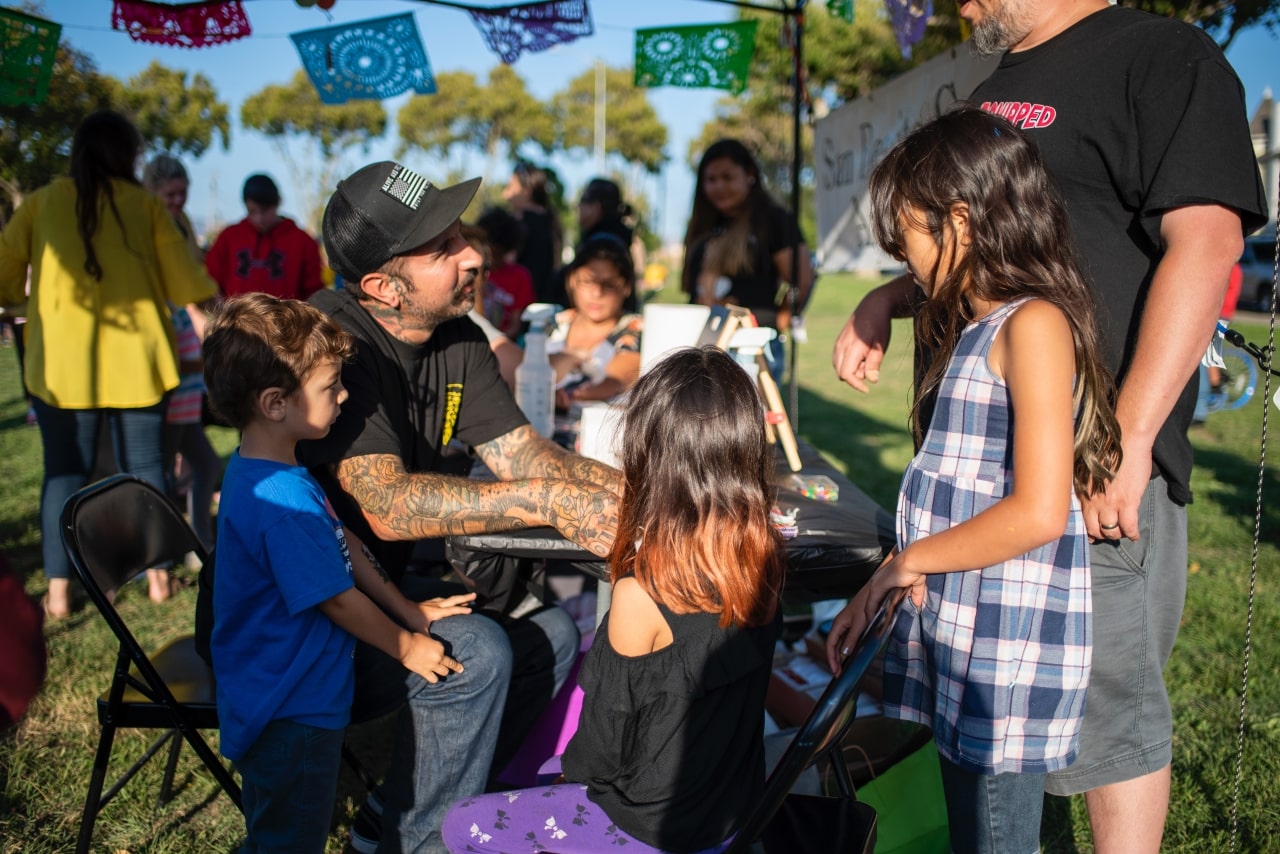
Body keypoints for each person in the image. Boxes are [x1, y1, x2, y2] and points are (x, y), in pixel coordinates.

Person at [830, 4, 1268, 848]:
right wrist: (891, 297)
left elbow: (1207, 242)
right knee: (1009, 716)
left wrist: (1128, 437)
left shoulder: (1158, 53)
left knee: (1108, 715)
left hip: (1086, 464)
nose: (955, 7)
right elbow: (988, 247)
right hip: (983, 476)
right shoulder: (1002, 81)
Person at [296, 160, 620, 854]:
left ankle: (400, 810)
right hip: (305, 611)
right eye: (443, 249)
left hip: (380, 588)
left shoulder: (456, 335)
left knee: (553, 635)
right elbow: (386, 504)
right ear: (382, 286)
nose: (473, 254)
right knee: (479, 652)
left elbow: (523, 455)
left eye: (460, 235)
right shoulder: (334, 341)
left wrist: (637, 490)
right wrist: (549, 500)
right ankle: (424, 842)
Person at [823, 107, 1122, 854]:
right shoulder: (975, 324)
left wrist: (907, 562)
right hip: (963, 637)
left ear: (961, 217)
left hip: (1003, 657)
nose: (906, 260)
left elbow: (1037, 511)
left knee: (994, 839)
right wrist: (880, 586)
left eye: (909, 241)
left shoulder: (1033, 327)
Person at [441, 345, 785, 853]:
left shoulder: (640, 592)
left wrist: (562, 782)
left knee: (462, 822)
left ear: (648, 455)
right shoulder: (766, 557)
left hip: (645, 828)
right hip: (728, 815)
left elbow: (598, 756)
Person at [204, 293, 476, 852]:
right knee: (289, 839)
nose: (345, 394)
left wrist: (405, 608)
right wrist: (405, 646)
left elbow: (342, 542)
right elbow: (334, 597)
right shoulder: (282, 500)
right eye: (331, 387)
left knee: (278, 828)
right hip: (291, 706)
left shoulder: (274, 470)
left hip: (288, 692)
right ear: (276, 402)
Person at [0, 110, 216, 619]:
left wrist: (24, 303)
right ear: (128, 156)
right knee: (145, 471)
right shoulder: (144, 207)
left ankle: (56, 595)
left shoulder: (41, 203)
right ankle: (159, 581)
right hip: (138, 365)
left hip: (58, 369)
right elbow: (187, 284)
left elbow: (6, 278)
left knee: (63, 475)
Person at [142, 154, 221, 565]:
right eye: (169, 194)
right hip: (168, 346)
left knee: (202, 463)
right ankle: (161, 556)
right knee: (167, 467)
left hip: (188, 350)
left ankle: (196, 544)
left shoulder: (182, 225)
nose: (176, 201)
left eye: (182, 194)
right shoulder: (146, 223)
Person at [682, 139, 813, 374]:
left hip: (748, 348)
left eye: (728, 177)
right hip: (702, 342)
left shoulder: (772, 220)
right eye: (711, 180)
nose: (719, 187)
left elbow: (801, 280)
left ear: (749, 175)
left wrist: (777, 323)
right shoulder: (706, 226)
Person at [539, 233, 643, 409]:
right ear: (572, 280)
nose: (597, 293)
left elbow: (617, 380)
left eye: (609, 284)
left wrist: (566, 393)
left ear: (626, 287)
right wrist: (571, 357)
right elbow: (526, 370)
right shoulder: (554, 322)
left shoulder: (636, 328)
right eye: (587, 282)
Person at [205, 173, 325, 301]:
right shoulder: (229, 237)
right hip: (238, 319)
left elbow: (314, 292)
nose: (259, 218)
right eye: (252, 211)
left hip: (287, 319)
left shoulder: (303, 242)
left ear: (277, 203)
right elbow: (210, 282)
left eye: (264, 210)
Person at [460, 223, 523, 386]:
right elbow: (521, 370)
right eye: (484, 268)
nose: (487, 277)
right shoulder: (463, 317)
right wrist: (574, 355)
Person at [502, 162, 563, 304]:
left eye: (510, 187)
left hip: (519, 307)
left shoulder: (519, 222)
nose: (506, 194)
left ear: (526, 191)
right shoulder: (551, 220)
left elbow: (508, 262)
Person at [475, 207, 535, 338]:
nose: (491, 258)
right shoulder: (473, 272)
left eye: (497, 253)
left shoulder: (520, 276)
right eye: (486, 252)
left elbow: (515, 325)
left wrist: (496, 341)